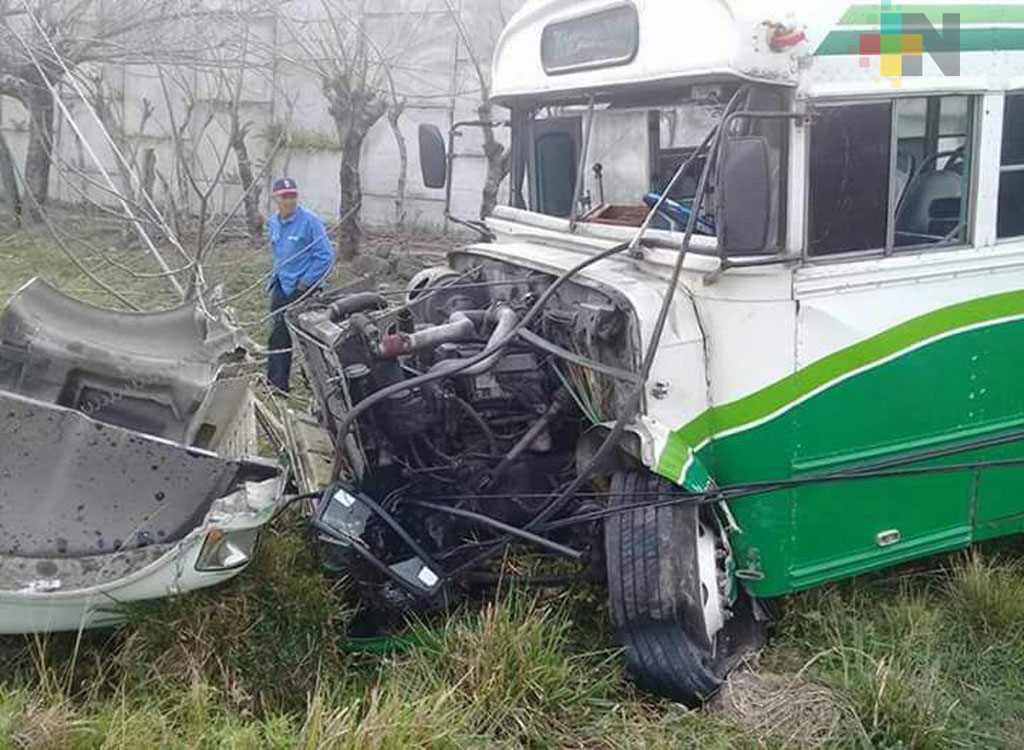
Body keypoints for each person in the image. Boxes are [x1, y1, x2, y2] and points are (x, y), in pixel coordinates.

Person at [266, 177, 335, 392]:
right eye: (284, 197)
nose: (289, 200)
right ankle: (276, 385)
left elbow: (326, 256)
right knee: (278, 335)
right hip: (281, 285)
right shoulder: (274, 222)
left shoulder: (310, 222)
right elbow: (278, 253)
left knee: (308, 340)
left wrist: (305, 283)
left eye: (293, 196)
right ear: (275, 198)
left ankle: (321, 389)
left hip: (304, 290)